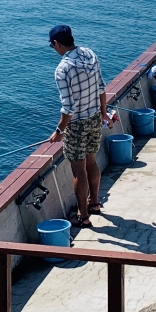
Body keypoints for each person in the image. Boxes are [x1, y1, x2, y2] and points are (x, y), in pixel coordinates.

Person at [47, 24, 110, 228]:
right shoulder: (90, 54)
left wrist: (59, 132)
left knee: (78, 170)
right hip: (94, 119)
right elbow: (101, 87)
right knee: (91, 162)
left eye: (52, 45)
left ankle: (83, 217)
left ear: (57, 43)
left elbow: (68, 108)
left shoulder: (62, 69)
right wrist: (103, 113)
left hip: (76, 126)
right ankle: (95, 203)